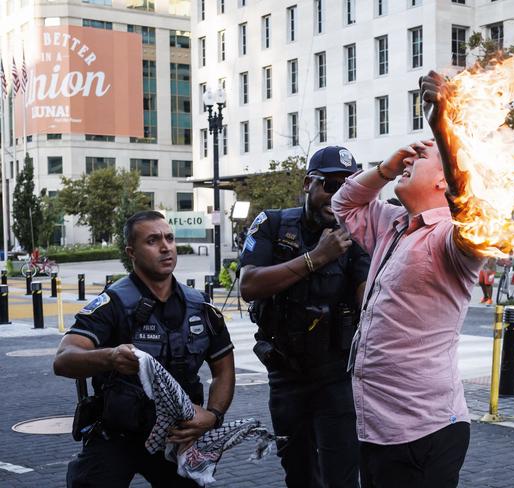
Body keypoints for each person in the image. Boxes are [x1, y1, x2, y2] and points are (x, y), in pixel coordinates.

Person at [331, 72, 484, 488]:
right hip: (376, 424)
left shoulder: (451, 238)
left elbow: (472, 214)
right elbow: (343, 204)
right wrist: (384, 168)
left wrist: (443, 128)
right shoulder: (393, 223)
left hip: (425, 431)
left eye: (424, 153)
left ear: (443, 180)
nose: (411, 155)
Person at [53, 211, 235, 488]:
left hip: (177, 438)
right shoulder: (113, 303)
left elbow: (223, 368)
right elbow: (64, 359)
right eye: (153, 240)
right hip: (118, 436)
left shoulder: (200, 306)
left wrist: (213, 415)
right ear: (132, 252)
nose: (165, 247)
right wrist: (109, 357)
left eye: (169, 238)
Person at [239, 146, 371, 488]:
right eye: (330, 184)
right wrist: (316, 258)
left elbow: (369, 299)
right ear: (308, 184)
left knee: (341, 477)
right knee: (298, 474)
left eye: (349, 186)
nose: (338, 194)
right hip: (287, 375)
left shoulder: (355, 235)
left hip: (337, 377)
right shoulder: (272, 223)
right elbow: (249, 285)